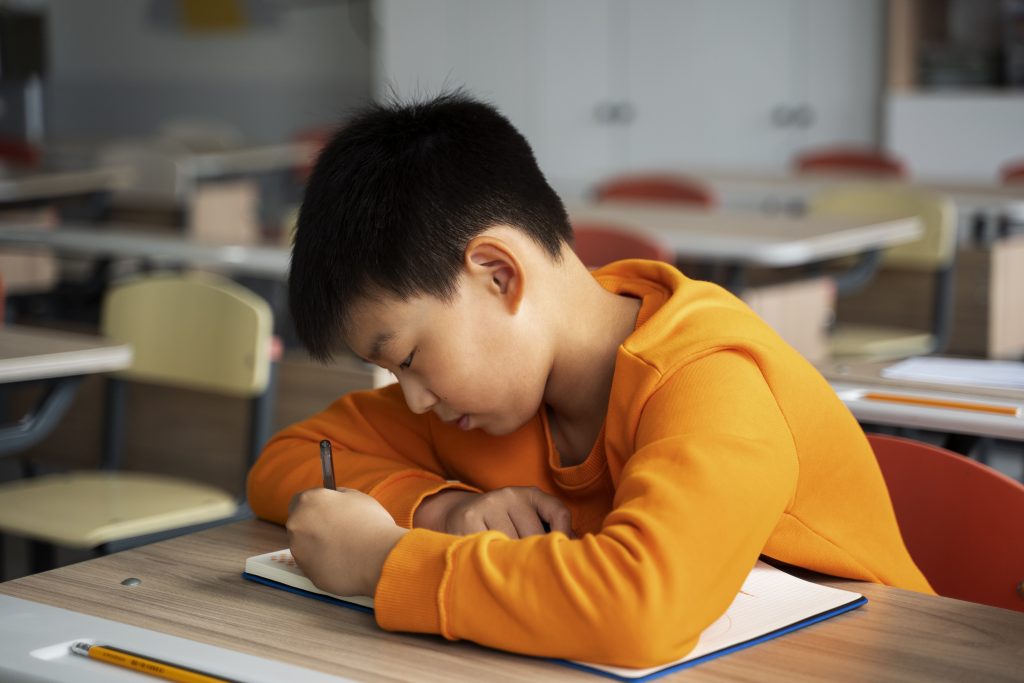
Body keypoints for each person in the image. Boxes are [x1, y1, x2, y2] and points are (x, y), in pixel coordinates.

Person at [247, 92, 932, 668]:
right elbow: (289, 461)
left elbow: (639, 609)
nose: (413, 394)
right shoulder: (487, 397)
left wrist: (384, 559)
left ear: (498, 274)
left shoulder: (712, 376)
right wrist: (439, 510)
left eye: (408, 355)